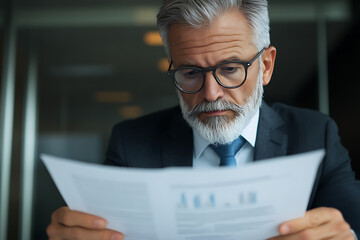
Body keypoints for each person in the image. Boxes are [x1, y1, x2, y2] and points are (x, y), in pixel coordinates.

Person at [46, 0, 360, 239]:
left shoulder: (314, 135)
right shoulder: (131, 143)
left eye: (230, 69)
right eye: (191, 73)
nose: (210, 93)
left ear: (265, 66)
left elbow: (351, 224)